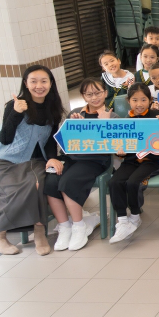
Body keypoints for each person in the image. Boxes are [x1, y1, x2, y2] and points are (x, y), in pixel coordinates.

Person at [0, 65, 65, 255]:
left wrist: (52, 159)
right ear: (26, 83)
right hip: (6, 162)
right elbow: (5, 139)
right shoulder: (14, 105)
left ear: (50, 84)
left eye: (43, 81)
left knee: (38, 184)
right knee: (22, 188)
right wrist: (15, 113)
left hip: (35, 162)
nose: (39, 85)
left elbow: (50, 139)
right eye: (33, 81)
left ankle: (40, 231)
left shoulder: (52, 108)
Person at [47, 78, 114, 251]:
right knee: (51, 181)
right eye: (89, 94)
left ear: (105, 93)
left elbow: (115, 145)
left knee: (68, 181)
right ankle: (65, 226)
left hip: (94, 160)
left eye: (98, 92)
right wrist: (74, 126)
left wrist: (105, 123)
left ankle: (79, 226)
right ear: (83, 96)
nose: (94, 97)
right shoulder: (76, 113)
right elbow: (65, 142)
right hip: (72, 158)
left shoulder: (112, 115)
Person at [109, 83, 159, 243]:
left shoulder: (157, 114)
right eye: (135, 100)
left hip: (154, 161)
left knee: (133, 182)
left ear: (150, 100)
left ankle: (135, 216)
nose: (139, 104)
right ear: (129, 101)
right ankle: (122, 220)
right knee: (114, 181)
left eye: (143, 100)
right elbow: (120, 144)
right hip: (131, 160)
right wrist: (119, 151)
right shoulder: (126, 120)